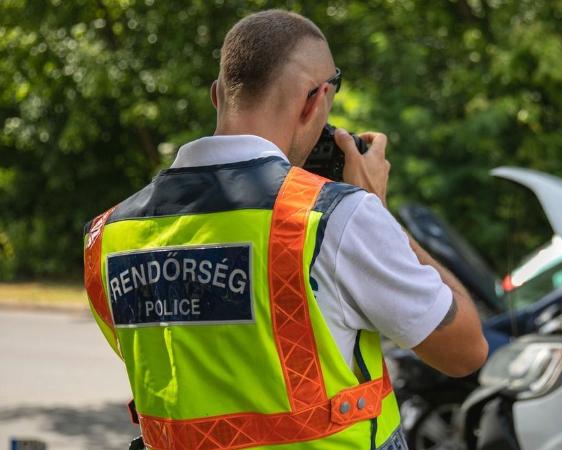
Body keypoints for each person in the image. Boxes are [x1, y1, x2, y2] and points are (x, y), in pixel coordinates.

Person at [83, 9, 487, 450]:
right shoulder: (333, 218)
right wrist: (377, 211)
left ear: (218, 96)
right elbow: (465, 350)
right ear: (316, 99)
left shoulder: (108, 236)